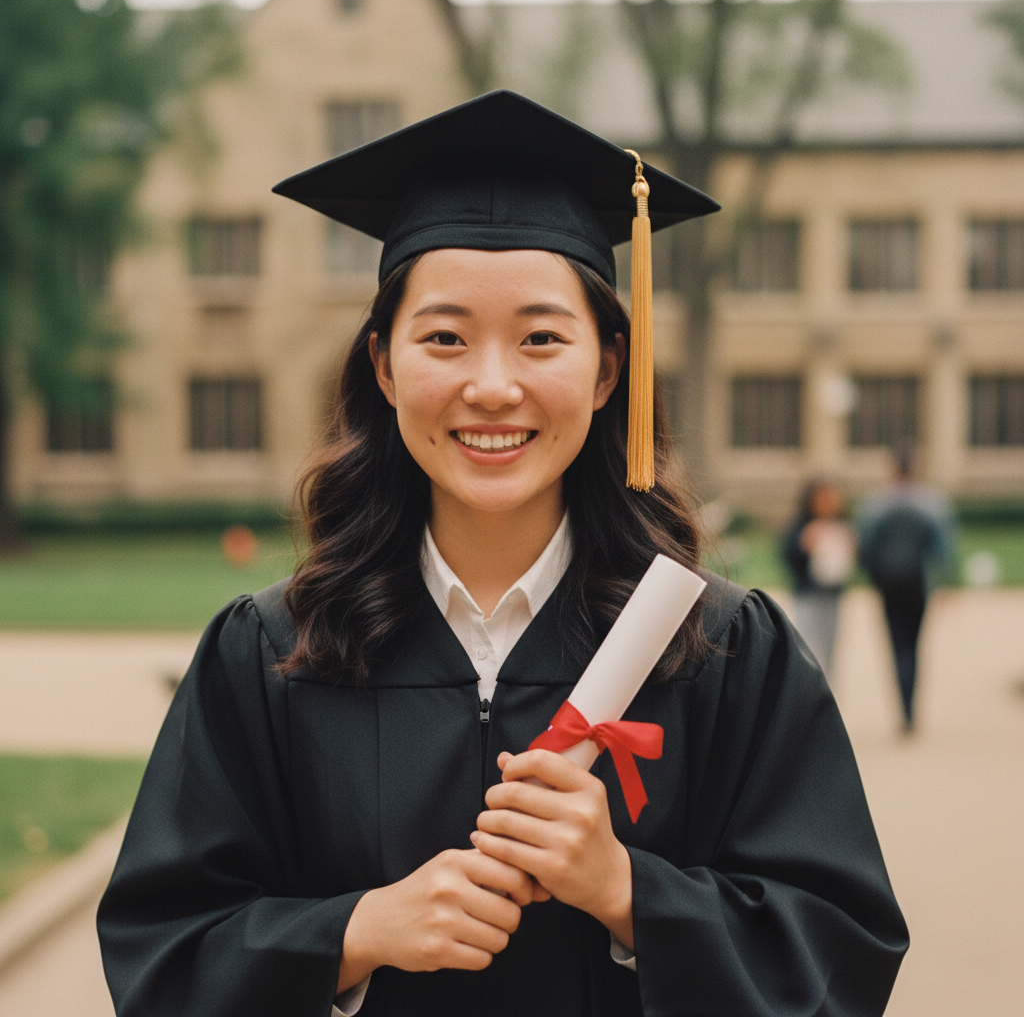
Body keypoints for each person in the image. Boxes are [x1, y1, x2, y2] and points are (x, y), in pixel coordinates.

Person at [97, 91, 908, 1017]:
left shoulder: (721, 651)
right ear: (384, 365)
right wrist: (354, 936)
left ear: (608, 370)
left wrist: (631, 896)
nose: (492, 385)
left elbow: (843, 954)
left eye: (541, 338)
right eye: (443, 337)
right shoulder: (273, 652)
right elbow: (160, 957)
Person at [859, 451, 955, 733]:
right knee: (914, 646)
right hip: (918, 584)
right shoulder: (932, 503)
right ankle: (911, 709)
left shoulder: (877, 504)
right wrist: (945, 583)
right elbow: (942, 549)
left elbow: (866, 549)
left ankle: (902, 707)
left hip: (889, 586)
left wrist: (874, 579)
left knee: (895, 643)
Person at [781, 479, 857, 683]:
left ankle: (826, 692)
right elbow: (787, 555)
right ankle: (809, 689)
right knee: (809, 646)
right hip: (808, 594)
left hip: (833, 594)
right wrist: (803, 545)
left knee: (831, 648)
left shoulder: (842, 525)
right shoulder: (801, 525)